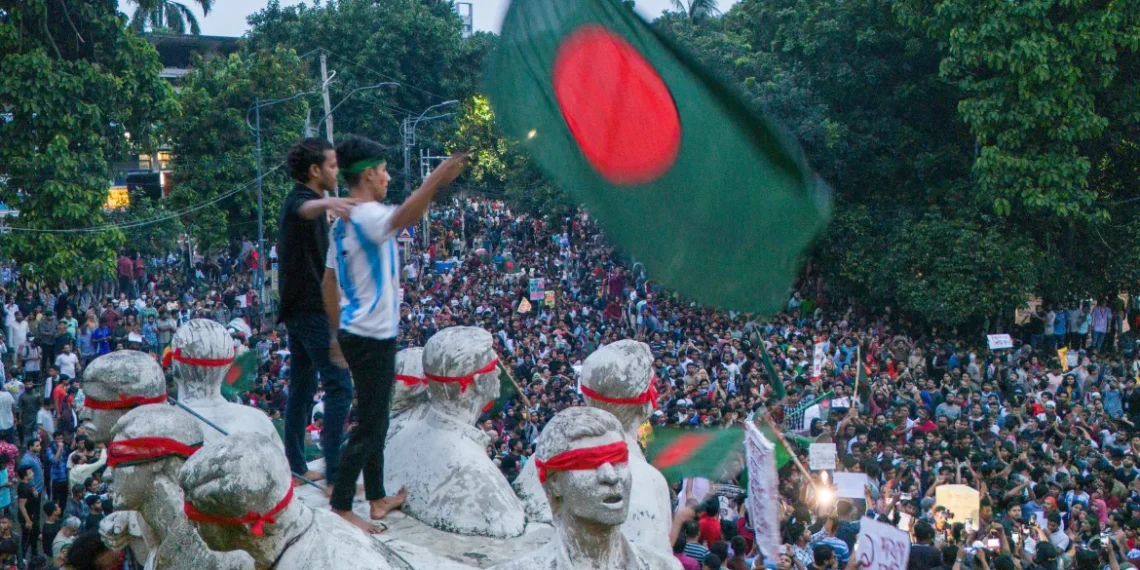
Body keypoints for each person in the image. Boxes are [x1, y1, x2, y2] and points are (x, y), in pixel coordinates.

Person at [322, 136, 466, 532]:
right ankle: (342, 505)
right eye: (383, 171)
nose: (387, 178)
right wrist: (435, 179)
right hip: (372, 336)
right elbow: (403, 218)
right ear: (368, 174)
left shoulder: (342, 222)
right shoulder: (366, 215)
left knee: (376, 416)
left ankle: (377, 496)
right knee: (370, 425)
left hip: (357, 331)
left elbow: (329, 281)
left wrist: (337, 333)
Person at [276, 137, 358, 486]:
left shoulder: (313, 202)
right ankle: (335, 472)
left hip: (301, 308)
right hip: (309, 309)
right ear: (314, 170)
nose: (336, 171)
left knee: (303, 386)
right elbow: (305, 210)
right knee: (340, 385)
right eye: (332, 165)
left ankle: (295, 463)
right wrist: (336, 203)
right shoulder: (300, 201)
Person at [17, 464, 39, 559]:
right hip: (28, 517)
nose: (33, 474)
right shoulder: (24, 488)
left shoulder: (27, 485)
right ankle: (23, 558)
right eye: (30, 473)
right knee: (26, 539)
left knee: (33, 537)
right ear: (25, 476)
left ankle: (34, 554)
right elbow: (22, 506)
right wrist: (28, 520)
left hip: (31, 514)